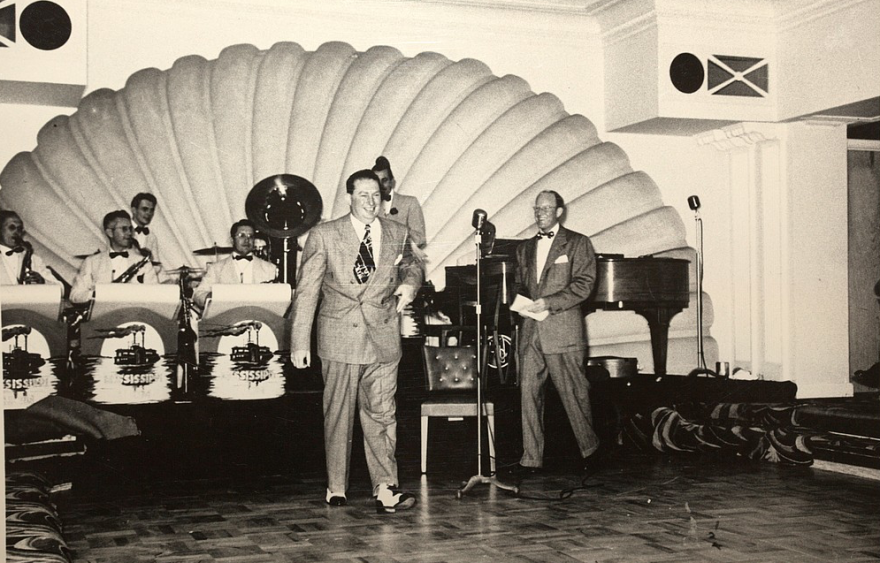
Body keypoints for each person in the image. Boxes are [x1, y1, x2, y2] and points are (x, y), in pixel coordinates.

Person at [290, 169, 423, 514]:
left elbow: (412, 265)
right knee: (338, 415)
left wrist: (410, 284)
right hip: (339, 337)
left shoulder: (397, 231)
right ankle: (336, 486)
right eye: (363, 195)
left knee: (382, 415)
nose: (370, 201)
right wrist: (300, 342)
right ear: (349, 197)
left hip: (383, 337)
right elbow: (307, 290)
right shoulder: (325, 234)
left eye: (376, 194)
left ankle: (386, 487)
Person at [511, 190, 601, 476]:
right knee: (528, 395)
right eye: (537, 209)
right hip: (531, 332)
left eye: (546, 209)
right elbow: (520, 284)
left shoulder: (578, 243)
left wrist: (548, 302)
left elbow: (584, 285)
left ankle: (590, 451)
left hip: (563, 331)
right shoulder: (524, 248)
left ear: (559, 212)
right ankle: (531, 459)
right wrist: (520, 303)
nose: (540, 214)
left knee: (573, 393)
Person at [70, 210, 160, 303]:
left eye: (130, 228)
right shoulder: (91, 262)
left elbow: (155, 295)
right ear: (110, 232)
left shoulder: (143, 263)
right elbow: (75, 295)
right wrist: (97, 294)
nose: (129, 233)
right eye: (124, 229)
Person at [192, 219, 278, 308]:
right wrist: (213, 297)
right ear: (232, 240)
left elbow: (278, 298)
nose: (247, 240)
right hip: (226, 315)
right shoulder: (216, 268)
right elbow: (198, 294)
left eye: (250, 236)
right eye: (241, 235)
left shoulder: (269, 268)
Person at [371, 156, 426, 249]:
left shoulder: (410, 203)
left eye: (384, 180)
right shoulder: (369, 206)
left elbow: (420, 238)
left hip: (404, 258)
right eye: (376, 181)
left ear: (392, 182)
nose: (380, 186)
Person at [0, 210, 59, 286]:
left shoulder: (33, 259)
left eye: (19, 228)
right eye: (12, 227)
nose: (17, 232)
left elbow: (59, 287)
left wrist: (43, 282)